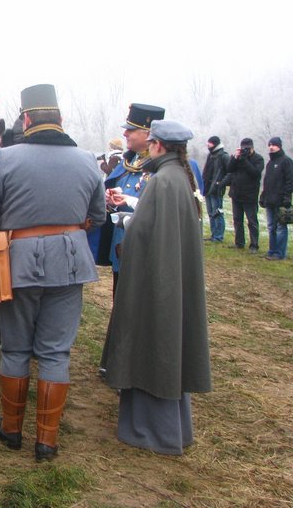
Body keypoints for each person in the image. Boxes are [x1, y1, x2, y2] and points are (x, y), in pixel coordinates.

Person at [0, 84, 105, 462]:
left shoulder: (6, 157)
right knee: (56, 353)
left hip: (18, 264)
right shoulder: (87, 160)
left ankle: (12, 429)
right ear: (60, 119)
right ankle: (46, 441)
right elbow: (97, 215)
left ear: (26, 119)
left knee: (15, 348)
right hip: (71, 264)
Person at [103, 120, 212, 456]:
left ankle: (152, 430)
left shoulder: (163, 181)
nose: (148, 147)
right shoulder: (178, 176)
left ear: (159, 145)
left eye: (151, 142)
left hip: (156, 283)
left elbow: (145, 233)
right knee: (165, 344)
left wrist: (125, 222)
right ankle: (168, 428)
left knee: (153, 345)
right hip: (168, 277)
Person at [94, 104, 165, 295]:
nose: (125, 134)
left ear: (148, 133)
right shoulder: (130, 161)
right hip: (121, 244)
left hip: (146, 247)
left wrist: (130, 200)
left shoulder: (163, 166)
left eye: (131, 130)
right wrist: (111, 199)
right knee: (120, 298)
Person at [259, 136, 293, 260]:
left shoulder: (286, 161)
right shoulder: (270, 163)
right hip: (270, 200)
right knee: (271, 227)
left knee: (281, 227)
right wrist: (263, 196)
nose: (271, 147)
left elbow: (290, 181)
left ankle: (280, 253)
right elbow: (267, 182)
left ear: (279, 146)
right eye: (269, 145)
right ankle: (272, 250)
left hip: (280, 201)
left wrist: (286, 197)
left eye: (273, 145)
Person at [225, 138, 264, 253]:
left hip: (250, 195)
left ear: (252, 148)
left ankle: (254, 245)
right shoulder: (238, 157)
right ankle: (239, 242)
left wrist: (244, 160)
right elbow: (229, 169)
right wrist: (234, 157)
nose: (245, 150)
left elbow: (255, 173)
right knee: (237, 220)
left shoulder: (258, 159)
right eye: (243, 148)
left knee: (252, 221)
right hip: (236, 193)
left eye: (247, 148)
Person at [202, 135, 231, 243]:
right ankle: (214, 234)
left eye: (210, 143)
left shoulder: (224, 156)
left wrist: (221, 183)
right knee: (211, 213)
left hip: (217, 189)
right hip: (208, 188)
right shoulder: (210, 155)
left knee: (217, 212)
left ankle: (218, 236)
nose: (208, 145)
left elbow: (230, 172)